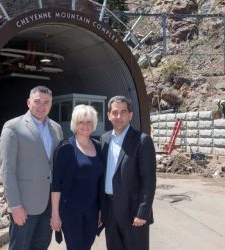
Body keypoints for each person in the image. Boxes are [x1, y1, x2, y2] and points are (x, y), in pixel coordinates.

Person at [0, 86, 63, 250]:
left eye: (46, 102)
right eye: (37, 101)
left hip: (49, 204)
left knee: (41, 246)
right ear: (28, 103)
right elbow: (7, 170)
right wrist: (14, 205)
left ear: (51, 104)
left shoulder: (56, 128)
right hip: (25, 206)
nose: (41, 106)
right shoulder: (13, 127)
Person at [100, 96, 156, 250]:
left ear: (130, 115)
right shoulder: (104, 140)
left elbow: (149, 180)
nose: (119, 116)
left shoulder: (142, 141)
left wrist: (143, 212)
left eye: (123, 112)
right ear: (109, 115)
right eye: (115, 112)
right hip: (110, 210)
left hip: (133, 211)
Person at [51, 104, 104, 250]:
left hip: (93, 211)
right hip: (71, 211)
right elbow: (56, 184)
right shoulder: (66, 147)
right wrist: (55, 214)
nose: (85, 125)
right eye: (81, 121)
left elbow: (101, 182)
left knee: (86, 246)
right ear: (75, 124)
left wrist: (101, 210)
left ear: (94, 124)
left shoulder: (98, 146)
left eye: (89, 121)